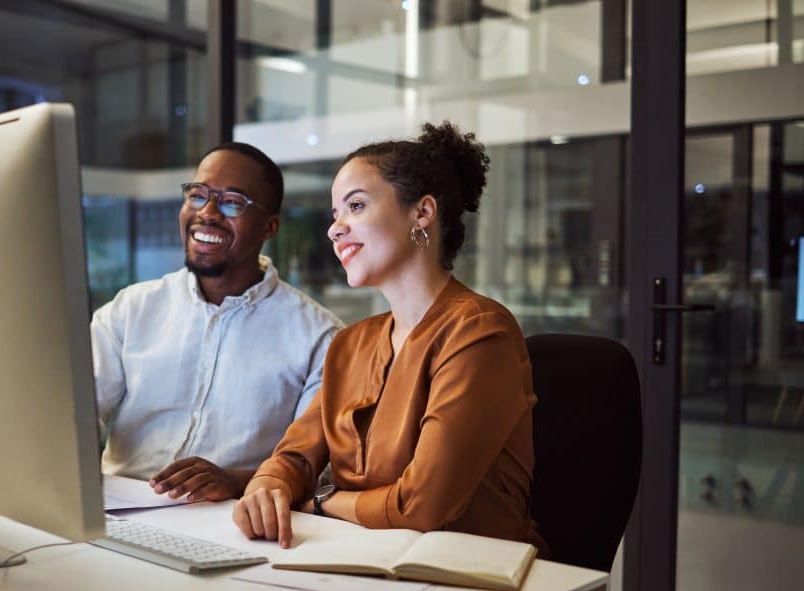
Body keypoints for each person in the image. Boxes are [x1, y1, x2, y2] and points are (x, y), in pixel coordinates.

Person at [232, 122, 548, 560]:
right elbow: (294, 459)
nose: (335, 229)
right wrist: (269, 487)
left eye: (355, 206)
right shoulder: (352, 343)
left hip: (463, 576)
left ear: (422, 213)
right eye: (335, 214)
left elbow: (421, 507)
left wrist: (320, 501)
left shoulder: (480, 331)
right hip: (361, 558)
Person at [91, 143, 343, 501]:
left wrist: (238, 480)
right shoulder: (130, 310)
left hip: (232, 519)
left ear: (269, 227)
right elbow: (75, 419)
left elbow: (318, 469)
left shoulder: (319, 336)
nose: (207, 213)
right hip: (118, 508)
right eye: (198, 195)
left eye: (231, 202)